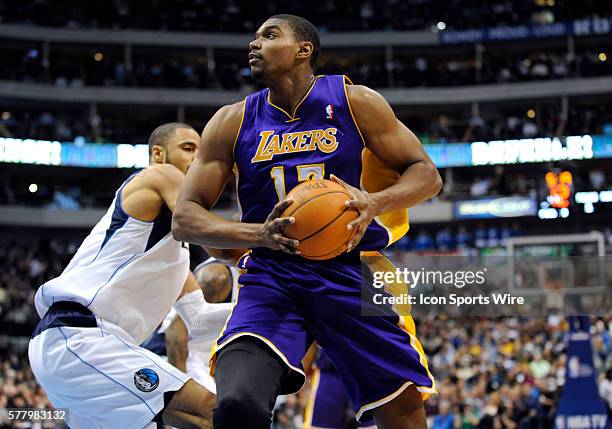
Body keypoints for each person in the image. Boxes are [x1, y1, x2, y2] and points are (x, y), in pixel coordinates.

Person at [172, 14, 442, 429]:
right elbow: (185, 217)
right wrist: (258, 234)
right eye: (254, 36)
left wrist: (374, 201)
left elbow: (426, 174)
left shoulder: (356, 102)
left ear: (304, 50)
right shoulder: (232, 120)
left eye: (269, 35)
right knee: (237, 405)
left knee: (403, 411)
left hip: (348, 271)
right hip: (272, 276)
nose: (254, 43)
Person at [28, 123, 220, 429]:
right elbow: (208, 234)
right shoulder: (163, 175)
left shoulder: (175, 254)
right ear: (158, 154)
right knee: (212, 414)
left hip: (90, 346)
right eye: (188, 148)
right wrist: (263, 238)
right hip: (79, 335)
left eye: (202, 150)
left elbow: (198, 318)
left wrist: (279, 311)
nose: (198, 157)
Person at [165, 256, 241, 393]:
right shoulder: (218, 276)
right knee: (216, 412)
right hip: (178, 361)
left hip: (207, 366)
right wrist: (178, 389)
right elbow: (175, 334)